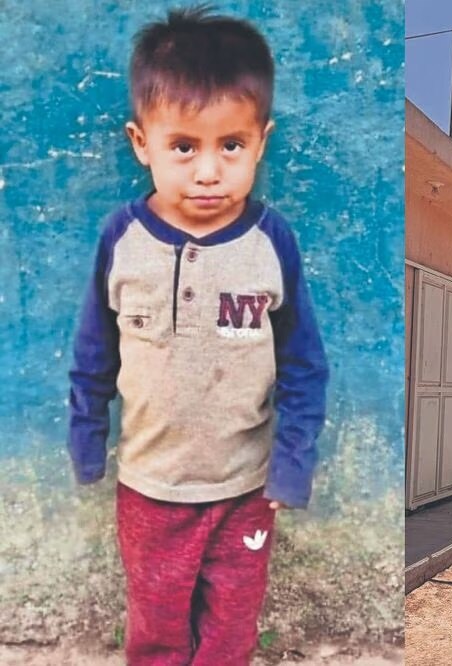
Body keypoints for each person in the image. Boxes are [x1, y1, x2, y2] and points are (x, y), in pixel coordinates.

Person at [67, 8, 328, 664]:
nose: (209, 171)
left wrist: (291, 466)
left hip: (244, 492)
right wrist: (87, 440)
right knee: (155, 632)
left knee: (230, 634)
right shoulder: (121, 241)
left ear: (261, 141)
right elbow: (93, 352)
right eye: (185, 146)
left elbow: (304, 365)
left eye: (231, 146)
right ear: (141, 142)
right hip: (150, 492)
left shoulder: (272, 244)